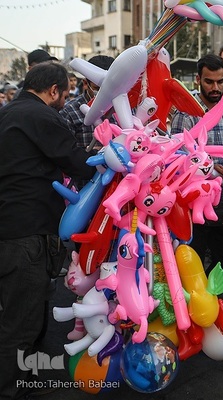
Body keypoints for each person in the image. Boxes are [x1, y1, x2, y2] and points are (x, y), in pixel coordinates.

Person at [0, 61, 96, 400]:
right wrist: (110, 159)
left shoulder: (9, 112)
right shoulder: (41, 116)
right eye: (64, 93)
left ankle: (21, 378)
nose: (64, 100)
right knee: (20, 321)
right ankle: (10, 389)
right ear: (53, 90)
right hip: (27, 231)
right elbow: (77, 162)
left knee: (19, 311)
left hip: (10, 226)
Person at [170, 54, 223, 281]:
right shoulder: (186, 111)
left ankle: (206, 295)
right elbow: (176, 156)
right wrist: (211, 168)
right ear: (198, 79)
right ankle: (192, 306)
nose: (215, 87)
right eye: (209, 81)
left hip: (221, 196)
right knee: (193, 256)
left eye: (220, 81)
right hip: (192, 200)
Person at [60, 55, 115, 150]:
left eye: (111, 87)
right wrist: (90, 153)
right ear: (85, 83)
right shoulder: (69, 112)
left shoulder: (126, 107)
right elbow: (65, 152)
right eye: (98, 88)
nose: (105, 93)